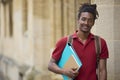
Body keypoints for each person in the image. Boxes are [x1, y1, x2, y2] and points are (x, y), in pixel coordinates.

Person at [48, 3, 109, 80]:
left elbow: (102, 71)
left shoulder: (100, 43)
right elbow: (50, 65)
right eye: (83, 19)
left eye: (90, 20)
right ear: (78, 20)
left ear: (93, 23)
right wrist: (64, 71)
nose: (86, 23)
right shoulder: (64, 42)